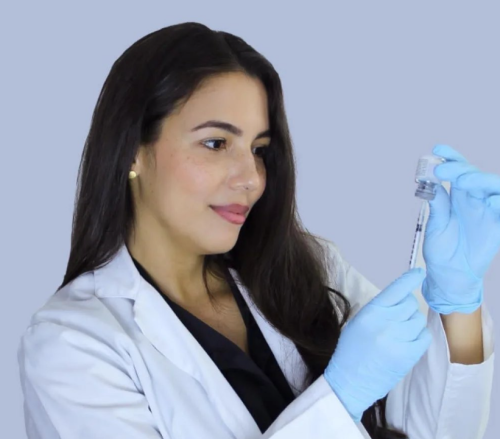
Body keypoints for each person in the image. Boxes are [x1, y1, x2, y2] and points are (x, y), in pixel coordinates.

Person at [17, 22, 498, 439]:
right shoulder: (72, 345)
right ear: (132, 152)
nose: (250, 178)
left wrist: (458, 303)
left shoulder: (308, 268)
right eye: (215, 143)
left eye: (260, 150)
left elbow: (436, 430)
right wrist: (340, 397)